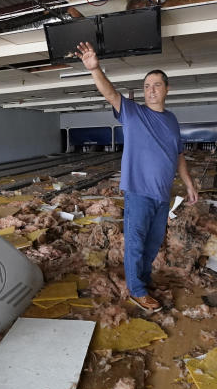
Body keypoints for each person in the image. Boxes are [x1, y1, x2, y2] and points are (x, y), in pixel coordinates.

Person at [75, 41, 198, 312]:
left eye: (156, 85)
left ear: (167, 89)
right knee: (135, 244)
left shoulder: (172, 120)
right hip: (138, 192)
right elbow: (111, 94)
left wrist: (188, 184)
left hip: (162, 195)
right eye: (146, 86)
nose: (151, 90)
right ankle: (137, 291)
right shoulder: (134, 113)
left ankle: (141, 280)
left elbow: (178, 155)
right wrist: (95, 69)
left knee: (152, 246)